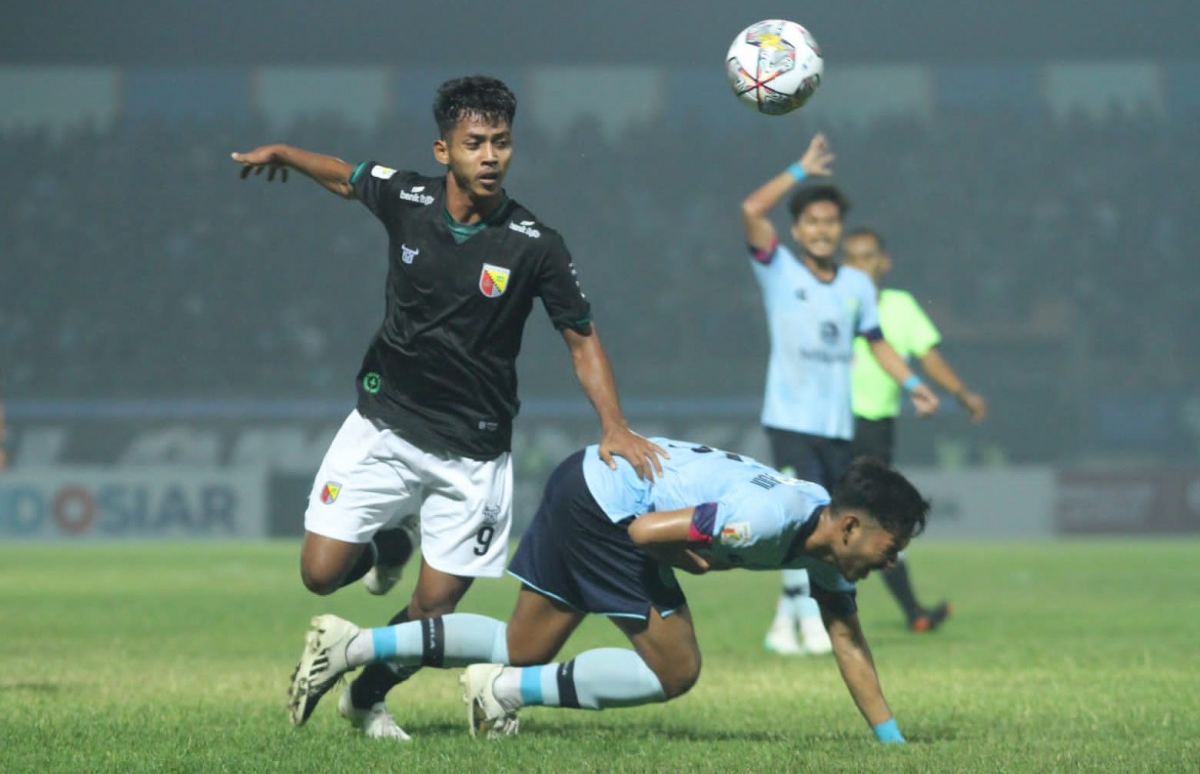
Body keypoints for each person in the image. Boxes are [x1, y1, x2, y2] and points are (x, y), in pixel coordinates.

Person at [232, 75, 666, 741]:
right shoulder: (408, 198)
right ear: (444, 151)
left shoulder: (535, 243)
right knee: (319, 576)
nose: (491, 155)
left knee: (432, 613)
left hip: (472, 452)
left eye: (501, 142)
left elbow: (581, 338)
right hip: (384, 425)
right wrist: (287, 154)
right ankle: (390, 542)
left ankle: (365, 698)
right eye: (475, 143)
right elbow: (347, 177)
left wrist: (615, 425)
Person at [287, 438, 930, 745]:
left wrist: (891, 742)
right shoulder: (763, 521)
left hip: (585, 479)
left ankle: (353, 645)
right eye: (891, 545)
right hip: (611, 508)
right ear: (852, 527)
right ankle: (501, 692)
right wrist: (689, 557)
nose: (891, 560)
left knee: (522, 646)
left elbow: (848, 641)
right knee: (677, 670)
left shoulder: (824, 543)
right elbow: (647, 532)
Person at [739, 133, 939, 656]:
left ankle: (787, 621)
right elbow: (752, 209)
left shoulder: (856, 285)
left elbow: (878, 343)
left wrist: (914, 385)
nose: (823, 229)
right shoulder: (778, 270)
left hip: (837, 424)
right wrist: (800, 170)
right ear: (797, 229)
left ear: (839, 229)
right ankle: (804, 619)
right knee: (804, 517)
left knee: (828, 522)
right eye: (812, 221)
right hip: (790, 419)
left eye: (830, 221)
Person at [842, 228, 987, 632]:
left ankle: (909, 612)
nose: (859, 265)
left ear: (884, 262)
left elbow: (929, 356)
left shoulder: (900, 307)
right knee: (845, 517)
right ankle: (804, 612)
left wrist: (960, 392)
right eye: (851, 258)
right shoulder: (833, 304)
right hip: (830, 424)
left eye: (867, 256)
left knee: (872, 520)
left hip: (875, 429)